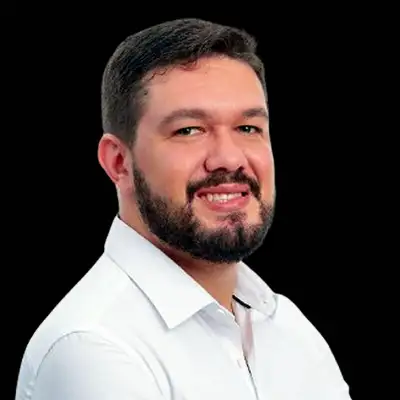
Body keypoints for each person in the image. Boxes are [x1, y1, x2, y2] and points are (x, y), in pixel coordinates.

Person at [15, 18, 351, 400]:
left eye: (248, 128)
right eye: (189, 130)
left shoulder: (289, 328)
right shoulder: (93, 347)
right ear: (119, 163)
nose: (229, 159)